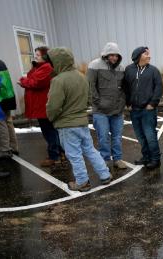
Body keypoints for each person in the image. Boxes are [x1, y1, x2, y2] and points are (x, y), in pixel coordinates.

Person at [46, 47, 112, 192]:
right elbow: (88, 99)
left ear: (57, 62)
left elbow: (54, 106)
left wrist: (51, 117)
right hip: (82, 121)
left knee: (74, 154)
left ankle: (82, 182)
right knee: (90, 149)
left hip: (67, 124)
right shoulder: (81, 76)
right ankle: (105, 174)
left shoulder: (58, 80)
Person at [18, 46, 67, 169]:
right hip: (40, 105)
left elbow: (36, 82)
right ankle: (61, 154)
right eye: (35, 55)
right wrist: (29, 76)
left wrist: (23, 81)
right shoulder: (40, 67)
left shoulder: (47, 68)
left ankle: (54, 156)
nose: (35, 57)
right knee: (51, 131)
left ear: (45, 57)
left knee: (49, 132)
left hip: (43, 106)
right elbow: (32, 78)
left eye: (38, 55)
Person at [87, 42, 128, 169]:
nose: (114, 58)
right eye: (111, 55)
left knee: (117, 137)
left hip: (117, 110)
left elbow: (124, 88)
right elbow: (90, 87)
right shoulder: (94, 65)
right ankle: (104, 160)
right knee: (103, 137)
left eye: (116, 55)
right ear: (105, 55)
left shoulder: (121, 68)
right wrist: (98, 102)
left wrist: (122, 103)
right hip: (101, 111)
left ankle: (117, 159)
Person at [124, 46, 163, 170]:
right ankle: (146, 157)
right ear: (138, 56)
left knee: (150, 135)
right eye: (146, 54)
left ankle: (155, 159)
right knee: (140, 136)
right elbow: (125, 88)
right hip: (134, 110)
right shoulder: (129, 70)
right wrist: (128, 103)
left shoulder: (153, 71)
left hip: (148, 110)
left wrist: (153, 103)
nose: (149, 56)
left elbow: (159, 88)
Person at [0, 58, 18, 159]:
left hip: (0, 99)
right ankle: (14, 147)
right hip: (8, 97)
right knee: (8, 121)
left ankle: (5, 149)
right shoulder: (1, 62)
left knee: (0, 123)